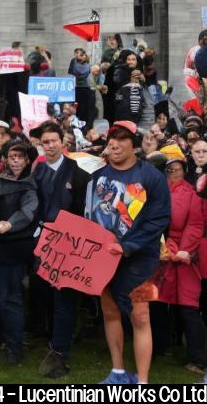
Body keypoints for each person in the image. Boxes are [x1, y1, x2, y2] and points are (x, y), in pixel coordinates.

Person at [85, 121, 170, 384]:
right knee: (110, 312)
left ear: (134, 144)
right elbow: (88, 214)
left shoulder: (152, 177)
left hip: (141, 260)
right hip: (103, 257)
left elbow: (160, 219)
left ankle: (142, 381)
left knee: (140, 315)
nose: (115, 144)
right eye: (112, 139)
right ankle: (118, 372)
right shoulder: (97, 177)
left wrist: (127, 246)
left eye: (122, 139)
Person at [31, 121, 90, 378]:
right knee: (43, 293)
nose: (51, 146)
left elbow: (84, 213)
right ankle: (51, 338)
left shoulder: (79, 174)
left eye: (55, 141)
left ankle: (60, 351)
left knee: (64, 298)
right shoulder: (38, 171)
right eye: (46, 142)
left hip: (70, 245)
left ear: (63, 142)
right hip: (43, 243)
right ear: (40, 145)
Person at [0, 139, 38, 365]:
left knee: (9, 298)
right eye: (11, 156)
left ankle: (14, 346)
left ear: (26, 160)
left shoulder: (30, 184)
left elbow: (29, 211)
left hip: (15, 247)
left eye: (20, 157)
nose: (15, 161)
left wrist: (9, 224)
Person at [156, 144, 207, 375]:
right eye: (169, 169)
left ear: (183, 168)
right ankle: (159, 348)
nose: (174, 173)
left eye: (177, 169)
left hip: (184, 258)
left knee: (188, 306)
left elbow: (195, 224)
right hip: (160, 255)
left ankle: (198, 358)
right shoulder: (156, 190)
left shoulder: (191, 194)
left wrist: (183, 250)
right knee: (155, 302)